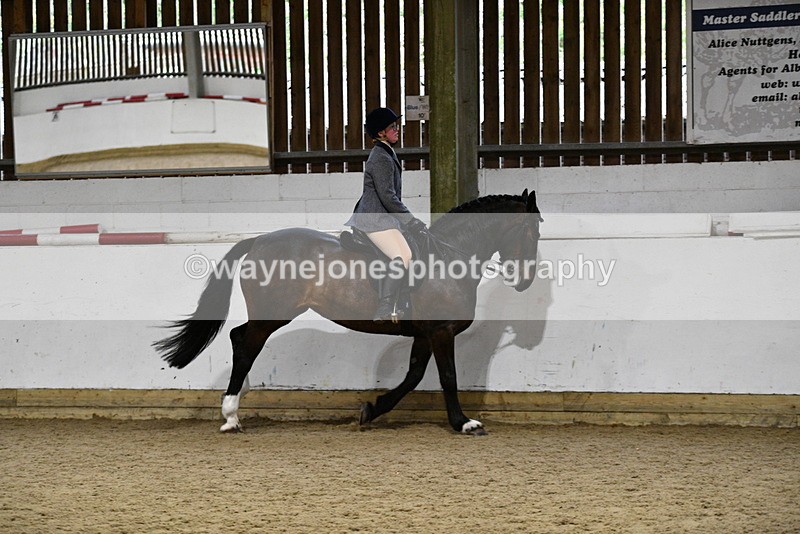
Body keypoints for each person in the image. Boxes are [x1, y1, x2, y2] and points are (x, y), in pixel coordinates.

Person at [345, 107, 426, 323]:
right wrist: (411, 220)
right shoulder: (380, 157)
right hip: (374, 218)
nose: (397, 130)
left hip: (383, 217)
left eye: (396, 126)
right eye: (392, 127)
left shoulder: (387, 152)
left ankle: (404, 300)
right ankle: (385, 305)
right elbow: (388, 196)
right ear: (381, 133)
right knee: (402, 257)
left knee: (410, 251)